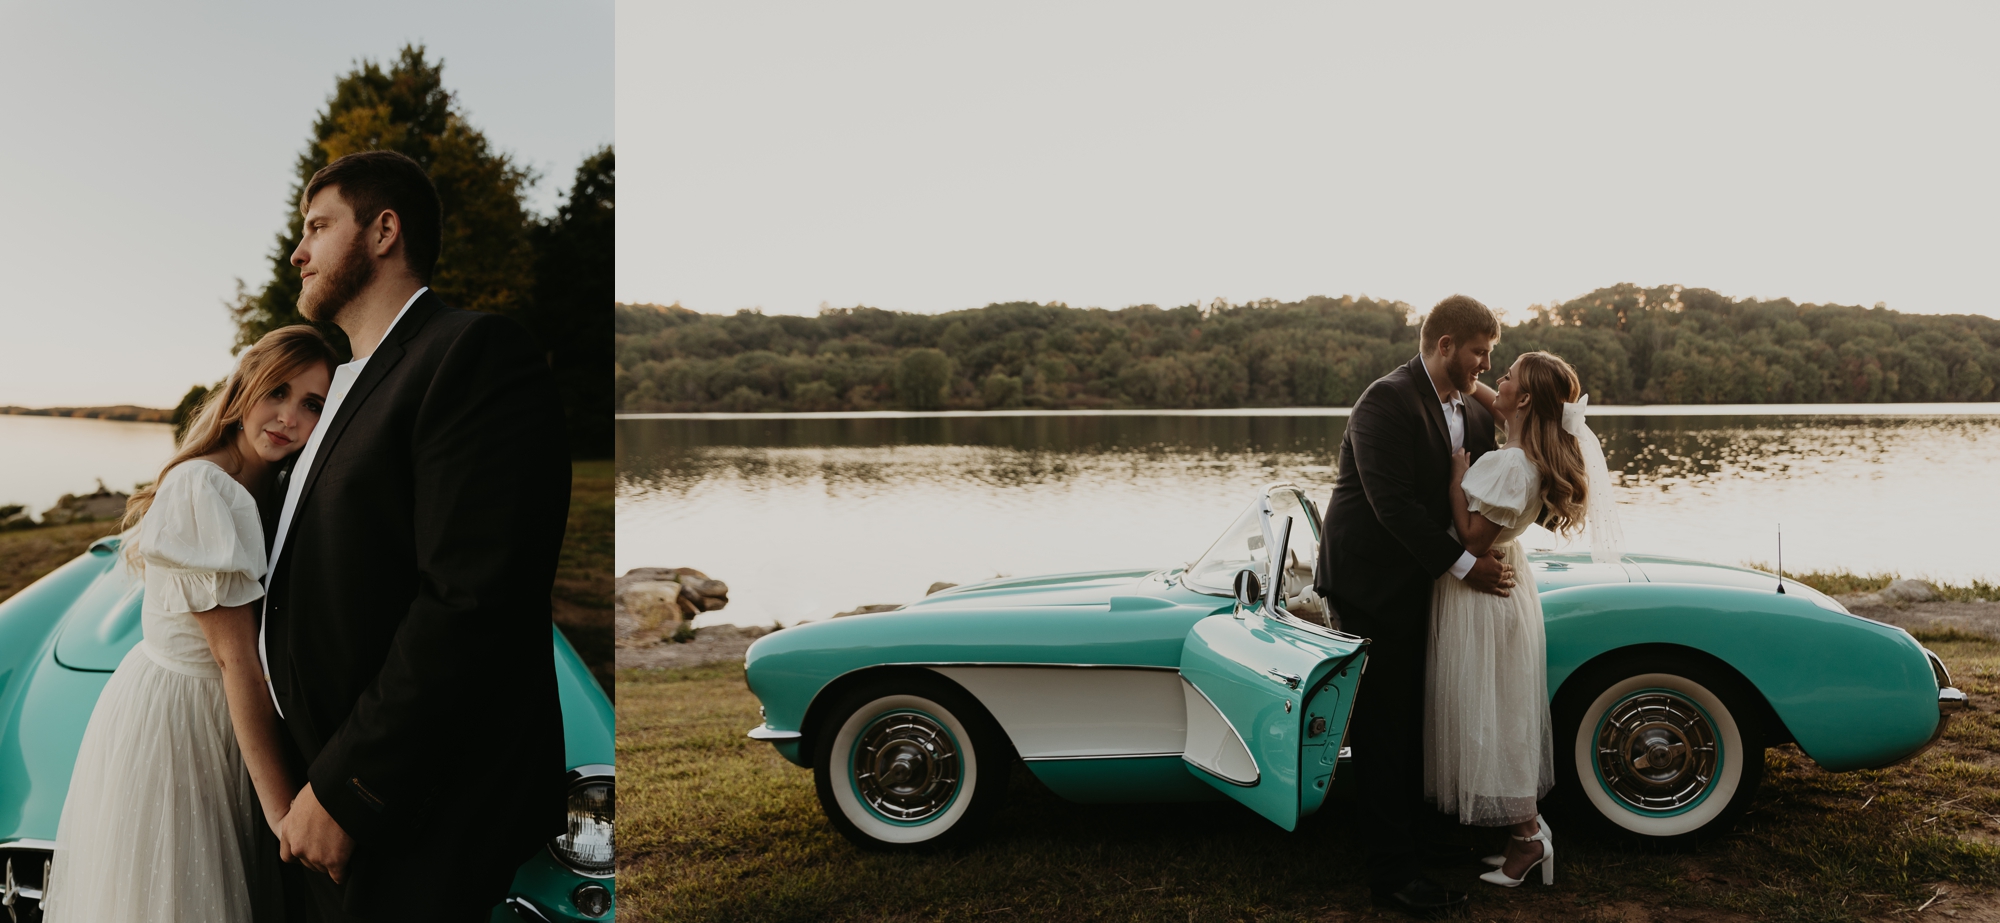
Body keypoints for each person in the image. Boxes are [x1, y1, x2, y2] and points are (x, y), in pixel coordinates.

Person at [261, 149, 571, 920]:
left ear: (384, 231)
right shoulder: (345, 383)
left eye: (317, 226)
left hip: (410, 806)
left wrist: (347, 790)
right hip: (322, 791)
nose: (297, 251)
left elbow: (470, 601)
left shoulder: (470, 353)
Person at [43, 326, 337, 922]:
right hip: (183, 719)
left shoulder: (269, 486)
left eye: (312, 405)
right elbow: (236, 661)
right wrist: (284, 813)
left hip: (224, 712)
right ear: (243, 390)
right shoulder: (203, 486)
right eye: (276, 391)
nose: (287, 416)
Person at [1314, 294, 1515, 918]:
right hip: (1370, 581)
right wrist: (1465, 566)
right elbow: (1390, 504)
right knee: (1385, 725)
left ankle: (1423, 836)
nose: (1485, 364)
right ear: (1446, 344)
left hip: (1428, 580)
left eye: (1491, 355)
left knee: (1424, 715)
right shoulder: (1385, 400)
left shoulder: (1475, 413)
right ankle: (1392, 874)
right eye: (1479, 352)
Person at [1428, 350, 1592, 888]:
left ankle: (1526, 839)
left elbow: (1474, 539)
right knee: (1499, 712)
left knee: (1488, 717)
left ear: (1523, 399)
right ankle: (1525, 832)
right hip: (1507, 590)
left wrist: (1456, 478)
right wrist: (1468, 380)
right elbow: (1502, 408)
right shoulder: (1526, 451)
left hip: (1482, 596)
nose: (1495, 380)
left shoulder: (1507, 465)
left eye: (1507, 377)